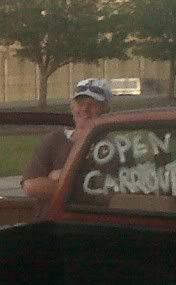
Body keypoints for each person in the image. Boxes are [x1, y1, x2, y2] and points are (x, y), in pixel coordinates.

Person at [22, 78, 112, 218]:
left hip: (100, 222)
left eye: (92, 104)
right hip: (53, 223)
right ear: (72, 107)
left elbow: (118, 189)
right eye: (80, 103)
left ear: (106, 108)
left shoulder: (116, 145)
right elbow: (31, 186)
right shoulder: (53, 140)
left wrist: (61, 177)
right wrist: (86, 186)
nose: (85, 109)